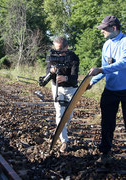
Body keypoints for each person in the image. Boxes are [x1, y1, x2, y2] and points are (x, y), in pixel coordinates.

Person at [88, 15, 126, 163]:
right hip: (110, 90)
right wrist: (92, 82)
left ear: (114, 28)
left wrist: (101, 70)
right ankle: (105, 153)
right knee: (107, 123)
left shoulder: (124, 42)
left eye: (104, 29)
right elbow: (104, 69)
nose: (102, 31)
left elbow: (123, 62)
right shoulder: (106, 45)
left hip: (125, 90)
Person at [46, 37, 79, 152]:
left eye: (60, 49)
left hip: (71, 89)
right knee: (60, 115)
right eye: (56, 49)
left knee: (68, 116)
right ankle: (64, 141)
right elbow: (47, 75)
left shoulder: (73, 57)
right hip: (57, 88)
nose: (58, 52)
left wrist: (66, 77)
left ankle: (62, 130)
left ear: (66, 47)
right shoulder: (52, 57)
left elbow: (75, 78)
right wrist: (51, 72)